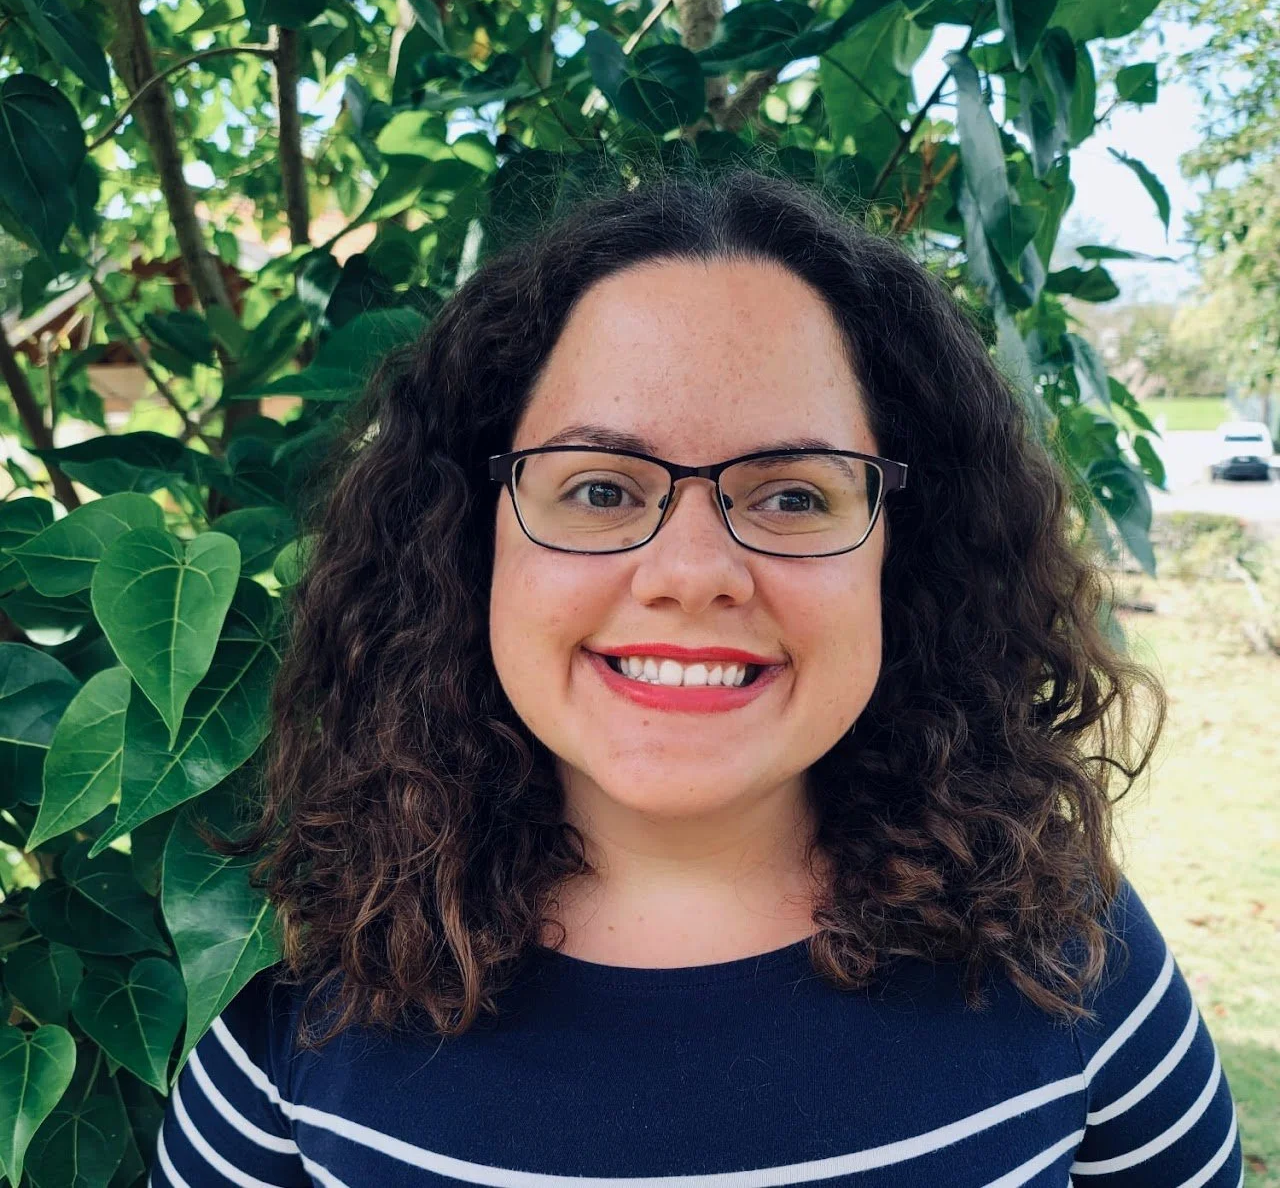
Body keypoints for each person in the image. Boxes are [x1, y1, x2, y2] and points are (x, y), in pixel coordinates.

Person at [147, 167, 1243, 1187]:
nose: (690, 574)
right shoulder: (303, 1000)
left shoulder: (1065, 946)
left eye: (791, 495)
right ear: (469, 542)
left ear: (901, 551)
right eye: (599, 488)